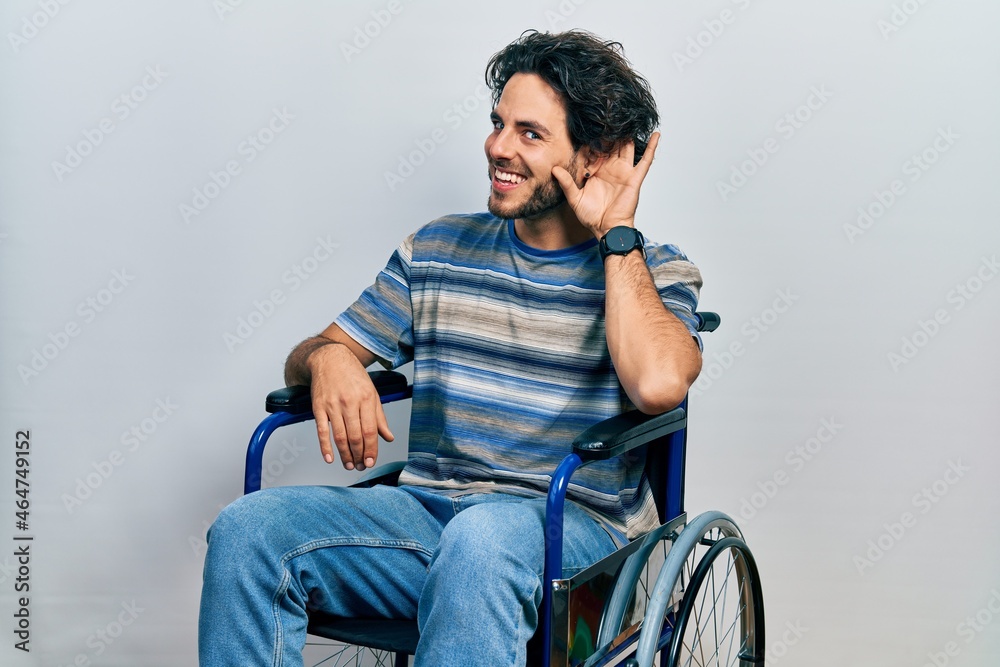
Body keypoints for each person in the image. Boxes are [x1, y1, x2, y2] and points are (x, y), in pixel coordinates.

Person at [199, 29, 703, 667]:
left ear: (595, 157)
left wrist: (617, 235)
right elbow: (319, 348)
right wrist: (330, 361)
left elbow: (660, 385)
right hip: (426, 521)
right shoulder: (437, 248)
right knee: (249, 531)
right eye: (498, 124)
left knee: (482, 538)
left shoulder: (650, 271)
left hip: (573, 547)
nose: (497, 147)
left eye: (530, 133)